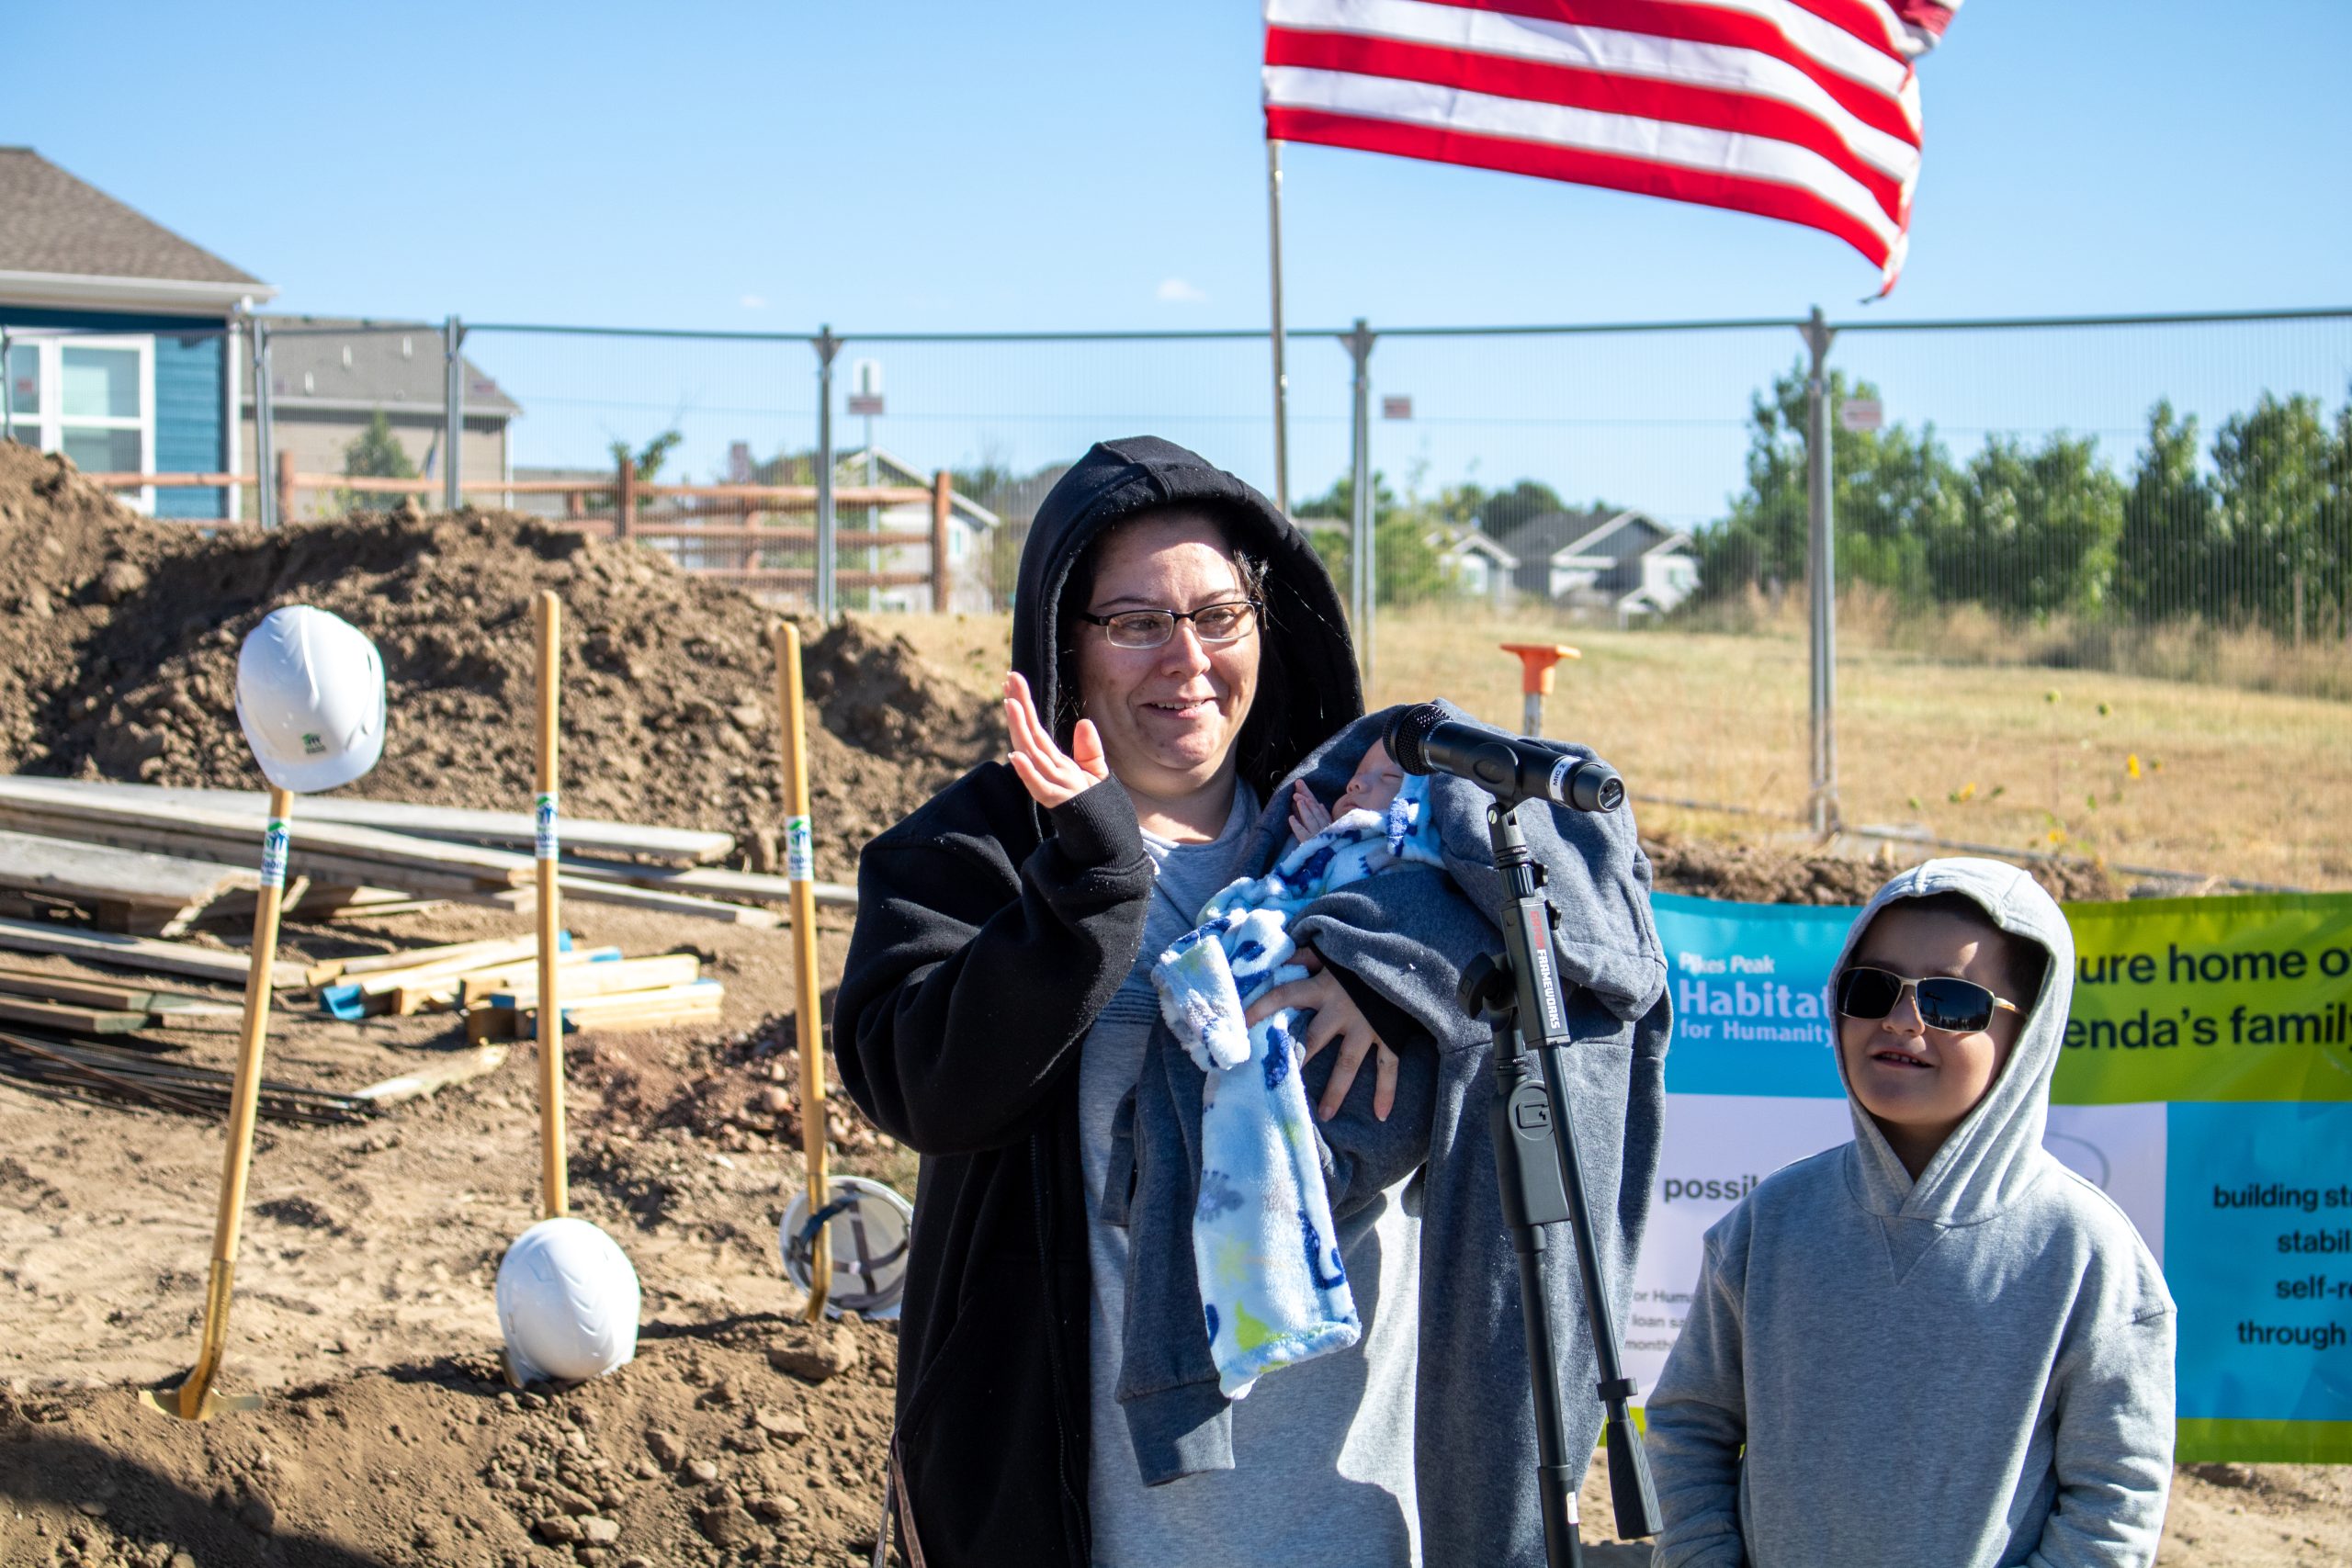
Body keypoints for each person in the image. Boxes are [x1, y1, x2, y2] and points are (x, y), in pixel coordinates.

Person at [836, 436, 1668, 1568]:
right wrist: (1089, 881)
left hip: (1366, 1511)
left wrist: (1399, 959)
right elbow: (924, 1085)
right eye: (1135, 622)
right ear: (1063, 643)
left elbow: (1575, 976)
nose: (1185, 659)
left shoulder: (1380, 842)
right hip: (1096, 1524)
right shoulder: (972, 853)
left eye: (1217, 616)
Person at [1645, 857, 2176, 1568]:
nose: (1901, 1020)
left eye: (1952, 1002)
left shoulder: (2087, 1253)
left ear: (2029, 1034)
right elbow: (1689, 1424)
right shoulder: (1769, 1224)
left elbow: (2116, 1497)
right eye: (1873, 988)